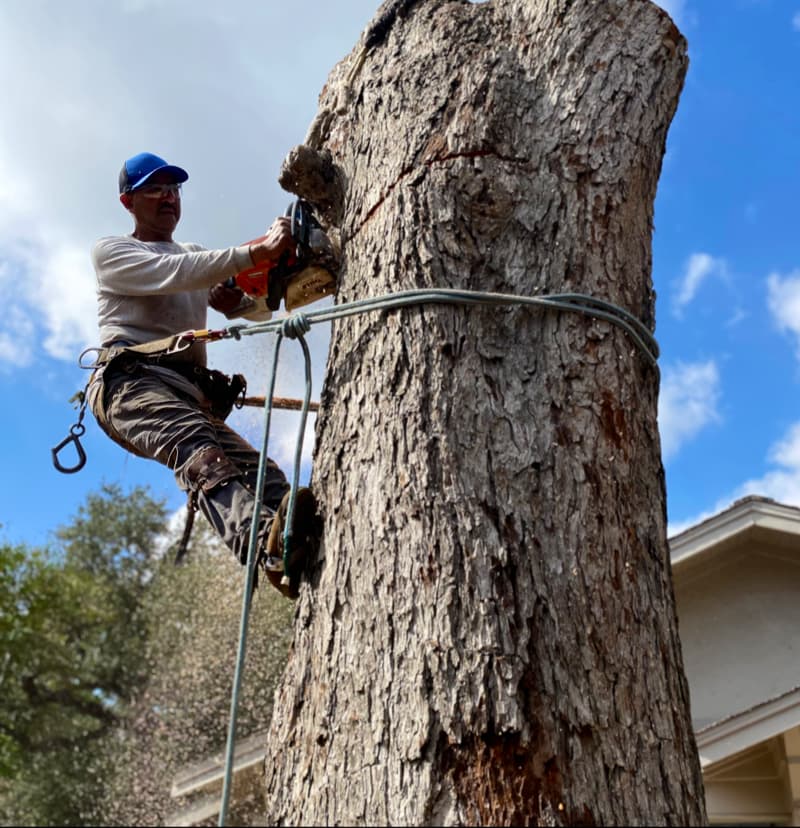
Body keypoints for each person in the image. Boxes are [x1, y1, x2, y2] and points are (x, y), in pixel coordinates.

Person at [87, 151, 319, 599]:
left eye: (174, 189)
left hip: (187, 394)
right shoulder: (114, 252)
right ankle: (262, 544)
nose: (168, 197)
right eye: (155, 189)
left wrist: (247, 297)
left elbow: (241, 300)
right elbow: (174, 273)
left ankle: (299, 537)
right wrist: (256, 251)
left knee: (262, 474)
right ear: (127, 202)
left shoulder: (195, 256)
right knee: (198, 449)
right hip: (130, 385)